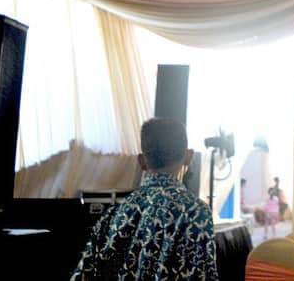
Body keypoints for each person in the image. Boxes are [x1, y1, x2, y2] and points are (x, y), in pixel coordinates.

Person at [72, 118, 218, 280]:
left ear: (141, 162)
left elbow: (84, 274)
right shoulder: (196, 212)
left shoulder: (115, 213)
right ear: (189, 157)